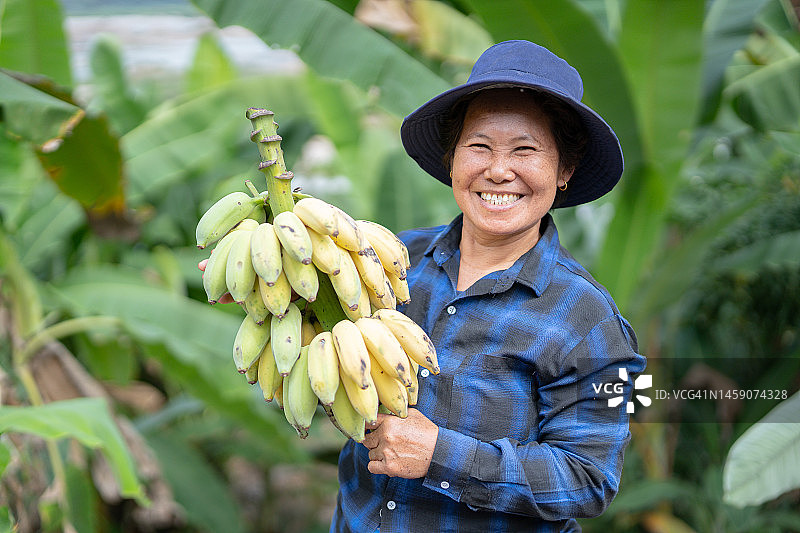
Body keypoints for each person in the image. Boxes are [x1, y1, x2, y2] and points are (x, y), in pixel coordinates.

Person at [330, 40, 646, 532]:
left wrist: (440, 454)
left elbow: (589, 479)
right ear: (452, 159)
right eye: (479, 146)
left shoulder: (589, 321)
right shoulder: (387, 263)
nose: (499, 170)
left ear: (564, 170)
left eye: (525, 149)